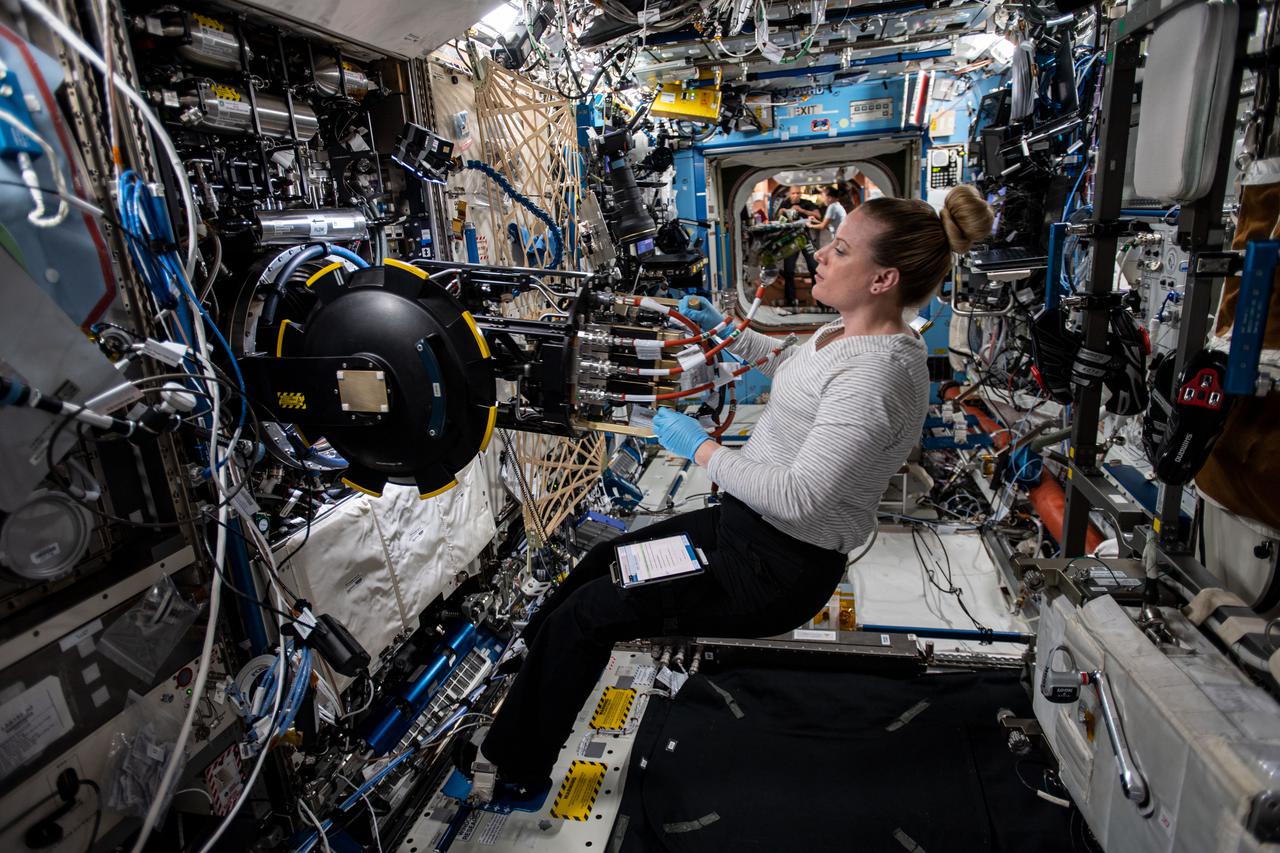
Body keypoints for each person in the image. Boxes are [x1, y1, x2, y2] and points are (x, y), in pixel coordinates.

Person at [463, 186, 995, 800]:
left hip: (772, 569)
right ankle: (528, 681)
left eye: (841, 248)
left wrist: (700, 448)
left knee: (591, 614)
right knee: (597, 567)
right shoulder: (844, 334)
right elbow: (791, 363)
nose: (821, 253)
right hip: (743, 531)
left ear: (883, 280)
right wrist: (728, 333)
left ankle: (514, 769)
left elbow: (801, 498)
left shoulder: (878, 374)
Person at [776, 186, 820, 305]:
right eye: (793, 193)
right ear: (789, 194)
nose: (795, 195)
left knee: (814, 267)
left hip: (805, 237)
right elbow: (778, 220)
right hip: (790, 240)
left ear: (800, 194)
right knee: (789, 270)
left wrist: (802, 210)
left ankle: (819, 299)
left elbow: (818, 215)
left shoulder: (806, 203)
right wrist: (780, 214)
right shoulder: (784, 203)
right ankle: (790, 300)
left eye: (798, 193)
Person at [808, 185, 847, 249]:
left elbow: (823, 226)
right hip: (840, 238)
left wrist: (810, 225)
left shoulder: (832, 207)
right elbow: (827, 225)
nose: (822, 199)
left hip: (839, 239)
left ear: (829, 198)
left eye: (823, 196)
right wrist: (815, 221)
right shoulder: (837, 205)